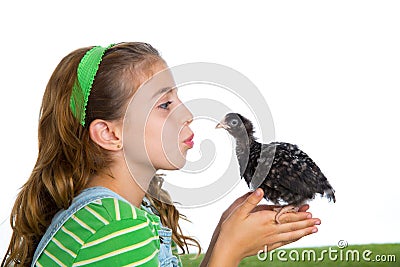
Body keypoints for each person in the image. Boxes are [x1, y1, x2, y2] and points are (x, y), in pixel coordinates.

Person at [1, 42, 321, 267]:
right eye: (165, 104)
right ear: (110, 134)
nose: (188, 114)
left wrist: (224, 234)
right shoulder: (114, 230)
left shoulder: (127, 216)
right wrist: (230, 250)